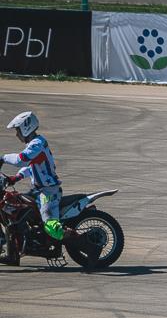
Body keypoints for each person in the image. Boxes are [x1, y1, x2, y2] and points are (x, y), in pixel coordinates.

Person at [0, 111, 102, 267]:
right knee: (14, 209)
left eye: (17, 130)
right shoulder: (34, 145)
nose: (16, 134)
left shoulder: (37, 144)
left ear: (26, 128)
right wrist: (16, 177)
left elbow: (22, 159)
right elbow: (31, 166)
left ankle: (91, 248)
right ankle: (13, 255)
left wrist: (2, 158)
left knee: (51, 227)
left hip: (48, 192)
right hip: (38, 191)